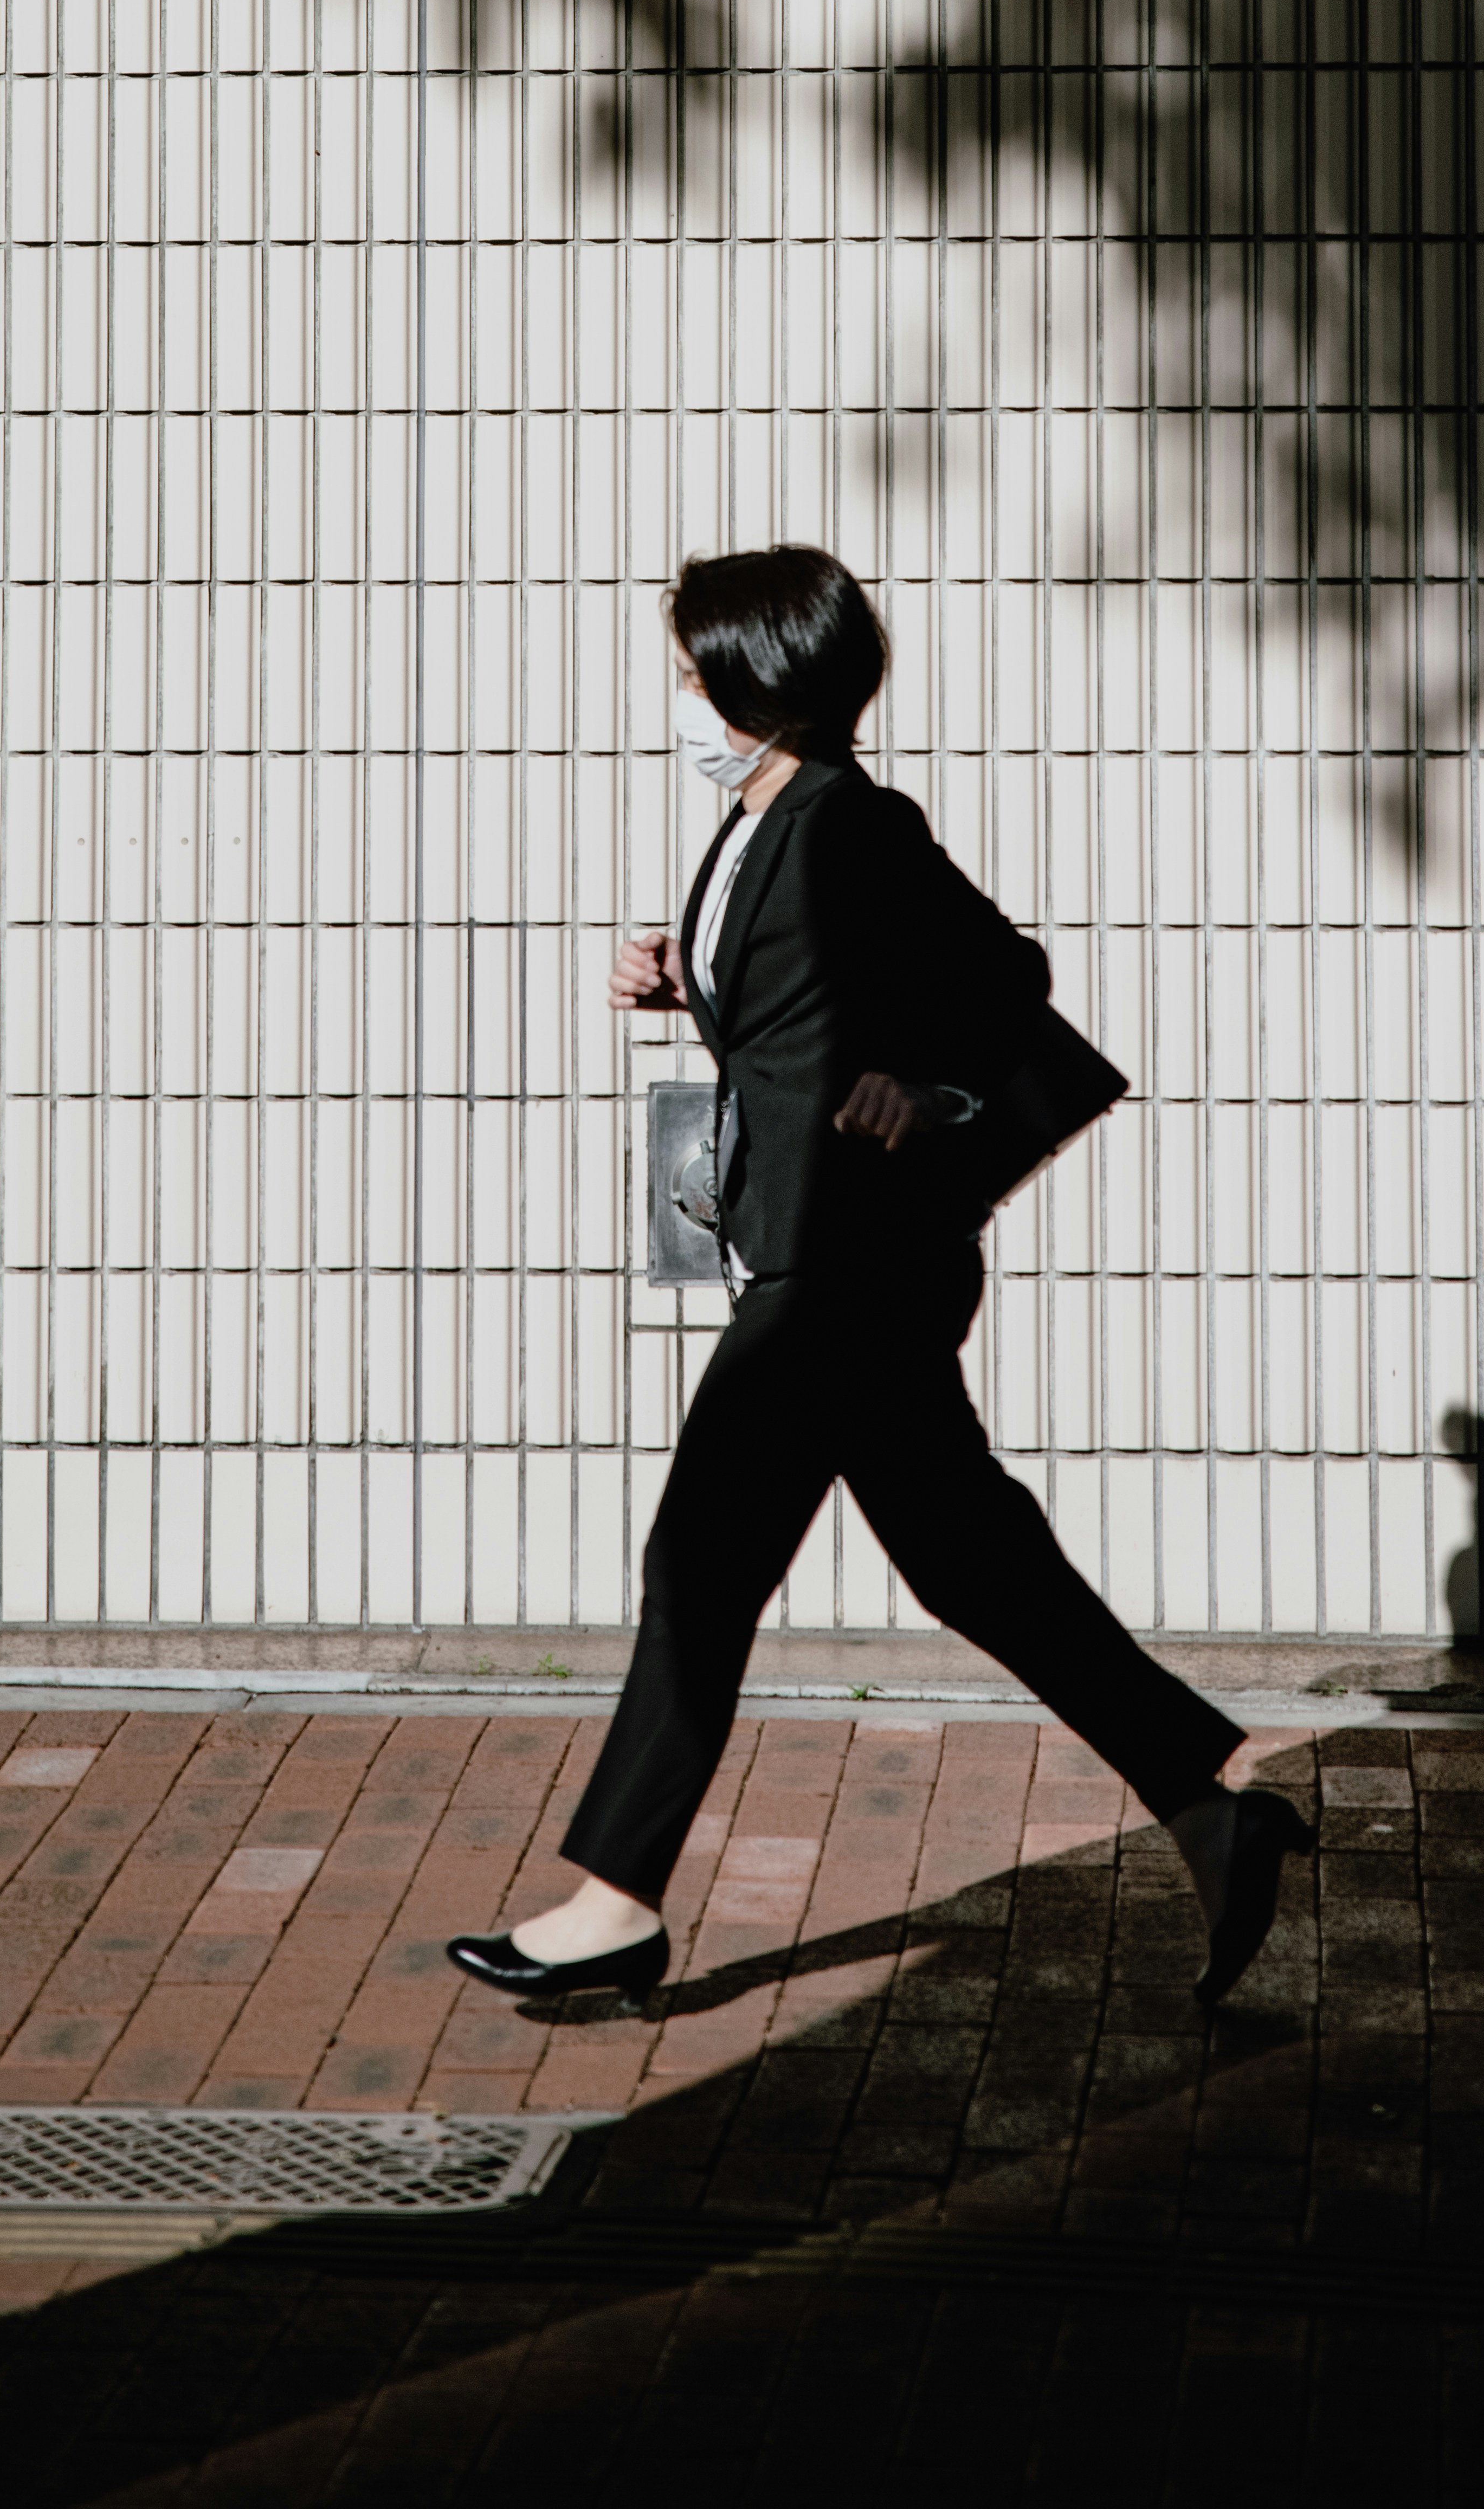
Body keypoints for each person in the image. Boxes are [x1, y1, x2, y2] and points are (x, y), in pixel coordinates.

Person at [447, 543, 1307, 2013]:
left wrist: (934, 1084)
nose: (679, 686)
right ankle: (1211, 1800)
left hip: (843, 1270)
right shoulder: (757, 819)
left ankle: (615, 1905)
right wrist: (687, 980)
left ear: (754, 676)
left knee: (701, 1564)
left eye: (692, 662)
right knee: (970, 1558)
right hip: (832, 1258)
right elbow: (801, 1000)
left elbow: (1009, 976)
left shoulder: (850, 821)